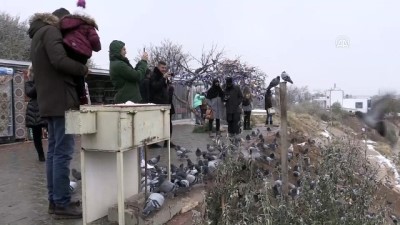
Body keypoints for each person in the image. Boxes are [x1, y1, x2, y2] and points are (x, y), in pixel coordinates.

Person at [28, 8, 88, 218]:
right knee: (62, 153)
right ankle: (62, 203)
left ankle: (55, 201)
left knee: (54, 152)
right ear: (61, 21)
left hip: (49, 101)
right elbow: (59, 61)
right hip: (61, 100)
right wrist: (82, 69)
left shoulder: (37, 35)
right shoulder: (51, 31)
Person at [59, 12, 101, 105]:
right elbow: (95, 42)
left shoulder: (65, 24)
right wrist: (98, 47)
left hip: (67, 48)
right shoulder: (88, 25)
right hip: (81, 52)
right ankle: (82, 97)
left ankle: (72, 92)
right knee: (79, 74)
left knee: (71, 72)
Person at [149, 61, 176, 147]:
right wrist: (163, 78)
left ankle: (167, 141)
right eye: (162, 68)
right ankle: (153, 142)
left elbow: (165, 88)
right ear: (158, 67)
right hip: (158, 103)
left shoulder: (164, 76)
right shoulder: (154, 75)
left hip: (167, 103)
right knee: (156, 123)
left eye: (165, 68)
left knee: (168, 123)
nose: (164, 69)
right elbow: (155, 87)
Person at [25, 65, 47, 162]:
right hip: (34, 111)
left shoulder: (46, 80)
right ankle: (41, 155)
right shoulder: (29, 83)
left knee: (52, 131)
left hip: (45, 108)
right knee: (36, 135)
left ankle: (53, 153)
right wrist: (38, 82)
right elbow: (30, 93)